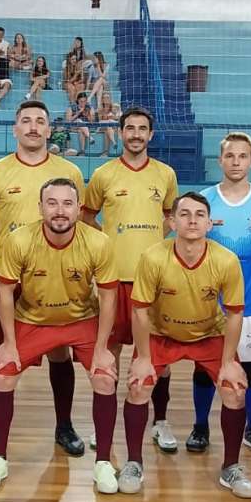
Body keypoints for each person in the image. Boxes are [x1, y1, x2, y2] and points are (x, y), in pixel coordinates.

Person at [0, 176, 121, 492]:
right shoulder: (18, 241)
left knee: (104, 377)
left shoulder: (98, 242)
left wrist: (102, 348)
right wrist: (9, 343)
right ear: (40, 207)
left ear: (79, 208)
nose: (60, 211)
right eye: (52, 203)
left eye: (67, 203)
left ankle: (103, 464)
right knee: (3, 374)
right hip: (33, 319)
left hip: (81, 319)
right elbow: (5, 293)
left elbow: (108, 297)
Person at [118, 191, 250, 496]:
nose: (192, 220)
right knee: (138, 385)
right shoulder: (153, 257)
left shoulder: (226, 260)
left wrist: (228, 362)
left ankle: (231, 467)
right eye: (185, 214)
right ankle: (134, 462)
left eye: (200, 215)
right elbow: (139, 311)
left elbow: (234, 314)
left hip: (209, 333)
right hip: (161, 333)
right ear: (172, 222)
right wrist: (142, 358)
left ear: (210, 224)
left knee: (234, 389)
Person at [0, 101, 86, 455]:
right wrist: (12, 256)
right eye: (26, 120)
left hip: (57, 274)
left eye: (40, 120)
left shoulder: (69, 171)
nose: (33, 126)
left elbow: (74, 221)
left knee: (59, 350)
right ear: (15, 129)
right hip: (11, 275)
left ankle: (64, 425)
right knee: (2, 349)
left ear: (50, 129)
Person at [81, 107, 180, 452]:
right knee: (110, 351)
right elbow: (86, 216)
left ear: (151, 134)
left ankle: (160, 421)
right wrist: (108, 240)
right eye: (130, 128)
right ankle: (104, 426)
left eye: (142, 129)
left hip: (153, 281)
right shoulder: (104, 174)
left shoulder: (165, 174)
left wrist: (154, 238)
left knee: (157, 356)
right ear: (121, 132)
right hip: (114, 280)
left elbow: (170, 216)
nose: (136, 134)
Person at [187, 133, 251, 455]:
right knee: (205, 367)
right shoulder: (204, 201)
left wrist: (243, 279)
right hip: (208, 304)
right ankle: (200, 426)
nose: (236, 162)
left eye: (243, 156)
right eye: (230, 156)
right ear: (220, 160)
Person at [95, 91, 119, 156]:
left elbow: (118, 118)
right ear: (102, 100)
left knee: (108, 129)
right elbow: (100, 121)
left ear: (110, 99)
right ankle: (113, 142)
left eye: (108, 98)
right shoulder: (100, 109)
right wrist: (109, 119)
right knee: (108, 126)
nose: (106, 99)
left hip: (111, 127)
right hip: (101, 127)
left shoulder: (114, 108)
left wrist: (113, 117)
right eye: (104, 98)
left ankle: (106, 152)